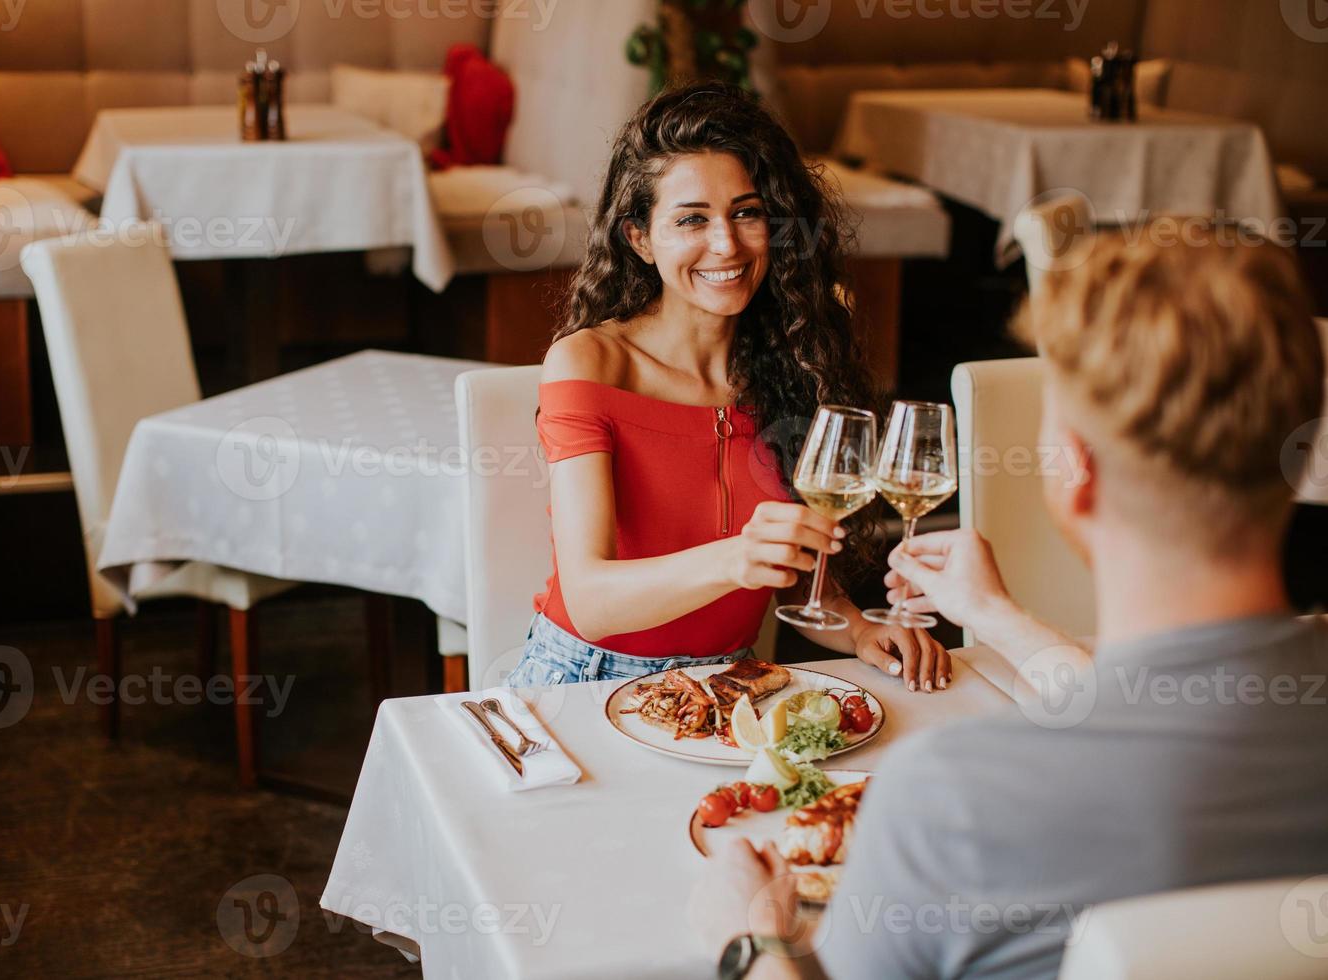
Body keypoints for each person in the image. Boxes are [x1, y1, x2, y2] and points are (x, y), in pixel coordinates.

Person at [691, 232, 1328, 979]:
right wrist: (993, 614)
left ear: (1075, 473)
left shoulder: (951, 801)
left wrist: (751, 943)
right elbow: (1181, 717)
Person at [507, 82, 951, 691]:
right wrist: (735, 560)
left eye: (746, 213)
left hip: (733, 684)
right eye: (692, 219)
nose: (727, 244)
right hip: (586, 680)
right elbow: (591, 601)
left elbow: (790, 569)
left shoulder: (793, 360)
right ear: (639, 237)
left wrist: (857, 629)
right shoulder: (590, 363)